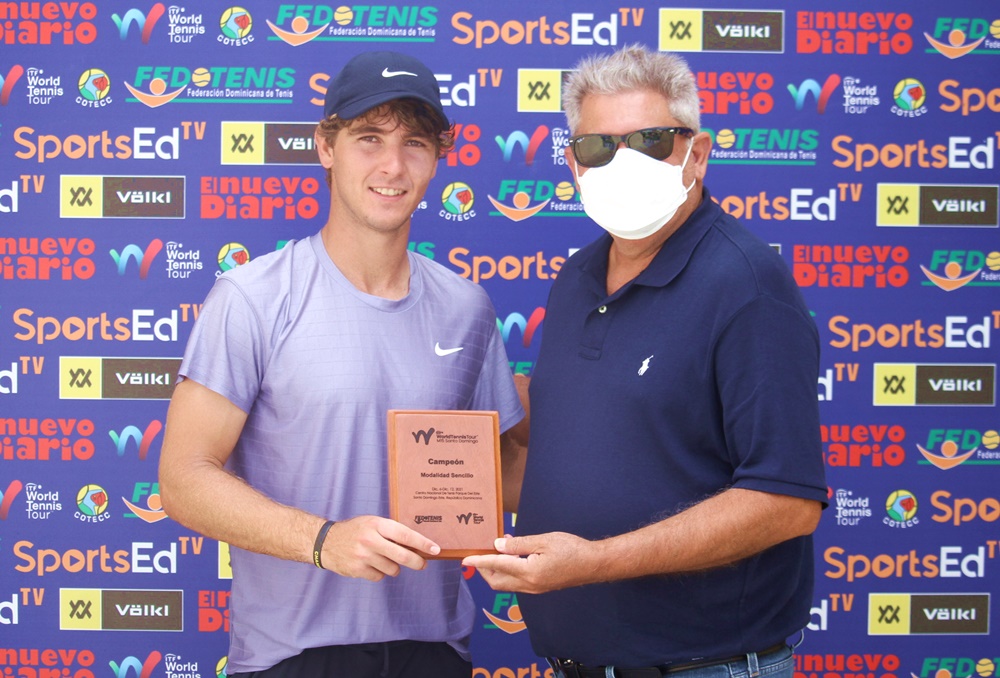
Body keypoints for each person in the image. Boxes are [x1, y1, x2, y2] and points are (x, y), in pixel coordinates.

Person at [464, 44, 827, 678]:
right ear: (574, 164)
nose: (623, 163)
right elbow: (586, 451)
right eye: (598, 147)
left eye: (650, 141)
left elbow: (784, 501)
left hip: (703, 667)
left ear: (697, 154)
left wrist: (595, 562)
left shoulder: (746, 286)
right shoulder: (576, 278)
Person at [159, 50, 524, 678]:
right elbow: (184, 479)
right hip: (293, 656)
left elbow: (501, 469)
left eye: (414, 143)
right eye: (369, 138)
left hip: (434, 651)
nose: (393, 165)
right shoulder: (253, 297)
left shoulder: (466, 307)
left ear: (439, 156)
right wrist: (324, 541)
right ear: (326, 147)